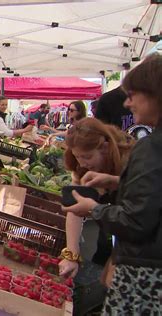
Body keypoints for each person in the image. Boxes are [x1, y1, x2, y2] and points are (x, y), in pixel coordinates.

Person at [62, 53, 162, 314]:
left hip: (145, 273)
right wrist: (117, 182)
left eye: (133, 94)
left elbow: (137, 220)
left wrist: (95, 209)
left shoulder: (147, 149)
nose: (128, 103)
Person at [58, 117, 134, 279]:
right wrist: (71, 255)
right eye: (77, 156)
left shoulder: (132, 161)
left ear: (105, 148)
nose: (82, 163)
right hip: (110, 234)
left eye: (87, 157)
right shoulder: (81, 168)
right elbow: (75, 209)